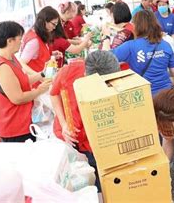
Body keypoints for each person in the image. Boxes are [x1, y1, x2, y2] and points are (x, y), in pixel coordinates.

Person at [50, 50, 121, 193]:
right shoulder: (69, 71)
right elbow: (53, 93)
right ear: (85, 74)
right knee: (75, 184)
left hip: (95, 142)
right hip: (68, 137)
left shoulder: (114, 80)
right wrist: (64, 125)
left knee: (101, 182)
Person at [0, 21, 51, 142]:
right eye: (19, 39)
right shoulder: (3, 67)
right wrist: (39, 90)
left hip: (23, 120)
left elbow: (22, 80)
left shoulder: (11, 57)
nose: (21, 42)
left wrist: (42, 74)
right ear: (9, 41)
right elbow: (17, 98)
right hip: (13, 127)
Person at [103, 10, 174, 95]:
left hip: (143, 95)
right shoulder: (165, 44)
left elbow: (105, 57)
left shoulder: (131, 46)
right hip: (165, 94)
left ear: (136, 26)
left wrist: (106, 37)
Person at [19, 6, 62, 85]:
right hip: (37, 84)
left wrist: (51, 54)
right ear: (45, 21)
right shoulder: (34, 40)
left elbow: (36, 54)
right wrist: (40, 76)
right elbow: (21, 63)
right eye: (54, 24)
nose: (54, 27)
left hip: (43, 80)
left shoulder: (37, 33)